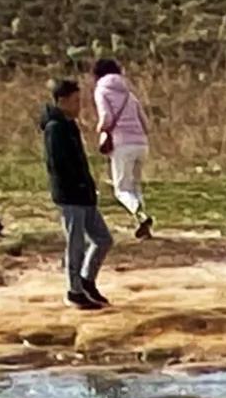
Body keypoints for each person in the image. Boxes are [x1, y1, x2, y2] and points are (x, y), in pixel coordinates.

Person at [40, 77, 108, 310]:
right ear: (61, 101)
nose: (79, 106)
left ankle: (86, 280)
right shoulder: (55, 128)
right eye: (75, 101)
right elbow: (57, 164)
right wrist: (76, 186)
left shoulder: (69, 125)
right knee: (75, 244)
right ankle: (74, 291)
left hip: (84, 193)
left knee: (103, 239)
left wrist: (87, 186)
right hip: (70, 195)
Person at [89, 57, 148, 239]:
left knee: (122, 189)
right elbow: (145, 122)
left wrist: (99, 129)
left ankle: (140, 213)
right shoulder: (129, 94)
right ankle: (143, 223)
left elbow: (106, 118)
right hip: (141, 144)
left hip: (122, 144)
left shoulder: (101, 91)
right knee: (135, 187)